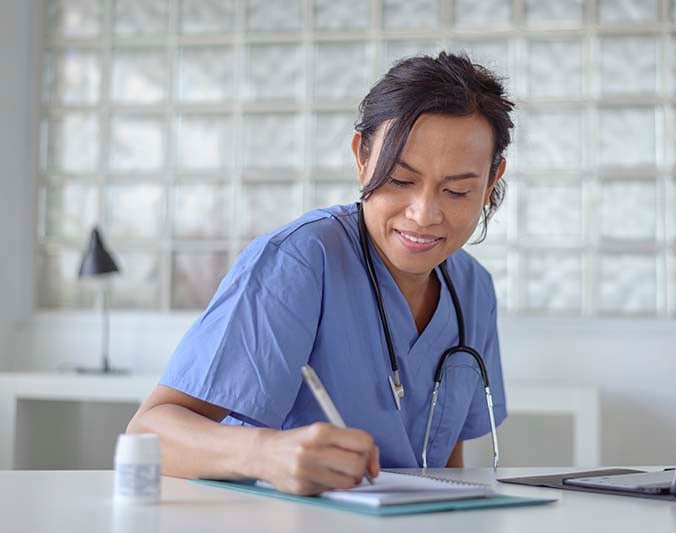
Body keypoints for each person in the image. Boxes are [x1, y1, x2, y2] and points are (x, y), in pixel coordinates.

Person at [127, 51, 515, 496]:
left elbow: (444, 464)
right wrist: (267, 454)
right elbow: (147, 433)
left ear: (490, 182)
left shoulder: (472, 289)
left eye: (457, 190)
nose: (424, 214)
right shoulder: (299, 261)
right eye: (401, 181)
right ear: (362, 158)